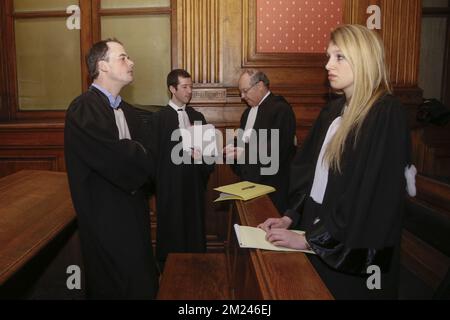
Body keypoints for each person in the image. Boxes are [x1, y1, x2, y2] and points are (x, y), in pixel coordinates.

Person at [258, 25, 415, 299]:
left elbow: (371, 199)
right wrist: (289, 217)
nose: (328, 64)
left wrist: (312, 240)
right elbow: (310, 175)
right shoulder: (333, 109)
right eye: (328, 56)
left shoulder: (385, 113)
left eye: (339, 57)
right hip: (319, 231)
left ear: (363, 58)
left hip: (353, 253)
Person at [65, 39, 158, 299]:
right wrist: (136, 152)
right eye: (123, 57)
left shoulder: (129, 110)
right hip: (105, 218)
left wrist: (134, 152)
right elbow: (114, 159)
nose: (131, 62)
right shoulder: (83, 108)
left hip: (134, 214)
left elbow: (150, 158)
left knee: (142, 282)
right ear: (102, 66)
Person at [152, 69, 214, 268]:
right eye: (185, 87)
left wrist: (203, 157)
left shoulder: (198, 116)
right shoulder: (158, 119)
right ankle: (170, 269)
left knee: (194, 227)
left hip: (194, 186)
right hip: (170, 186)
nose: (189, 91)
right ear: (172, 88)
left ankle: (196, 266)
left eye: (191, 87)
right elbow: (153, 158)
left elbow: (209, 154)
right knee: (172, 228)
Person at [224, 69, 296, 213]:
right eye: (241, 92)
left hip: (272, 188)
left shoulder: (280, 109)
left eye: (245, 91)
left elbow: (277, 150)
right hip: (249, 185)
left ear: (260, 86)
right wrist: (232, 151)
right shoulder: (247, 113)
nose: (242, 97)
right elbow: (244, 144)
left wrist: (244, 154)